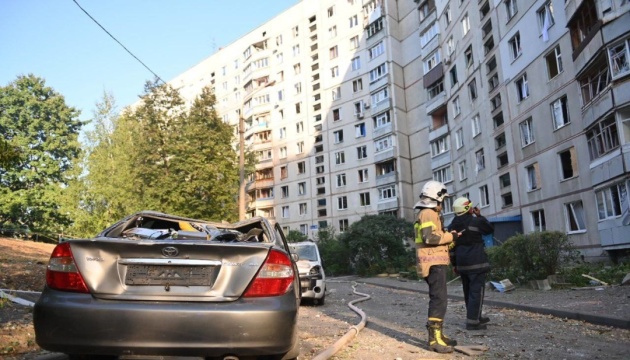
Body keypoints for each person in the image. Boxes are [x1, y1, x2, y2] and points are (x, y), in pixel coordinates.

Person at [414, 180, 460, 353]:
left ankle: (439, 336)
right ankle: (434, 340)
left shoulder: (428, 213)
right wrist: (450, 237)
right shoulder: (428, 213)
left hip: (434, 261)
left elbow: (433, 238)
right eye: (443, 200)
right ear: (437, 197)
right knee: (439, 300)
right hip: (432, 263)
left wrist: (449, 239)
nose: (443, 204)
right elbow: (430, 238)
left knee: (440, 299)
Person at [448, 197, 494, 330]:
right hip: (476, 262)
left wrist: (455, 264)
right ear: (468, 209)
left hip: (462, 264)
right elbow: (489, 229)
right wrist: (479, 215)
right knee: (476, 292)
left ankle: (474, 316)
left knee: (468, 291)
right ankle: (473, 321)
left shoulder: (451, 226)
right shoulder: (476, 221)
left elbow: (451, 247)